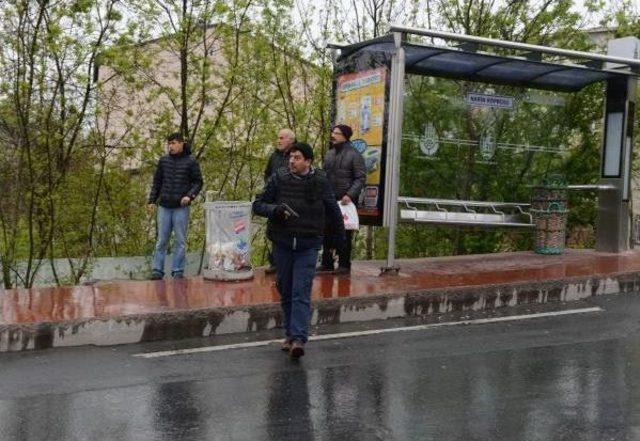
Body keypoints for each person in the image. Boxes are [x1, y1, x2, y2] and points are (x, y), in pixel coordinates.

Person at [253, 142, 345, 358]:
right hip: (282, 243)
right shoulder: (279, 178)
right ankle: (289, 334)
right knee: (286, 289)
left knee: (300, 291)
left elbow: (333, 211)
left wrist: (339, 242)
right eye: (290, 157)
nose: (292, 161)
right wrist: (275, 210)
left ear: (308, 161)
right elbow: (257, 204)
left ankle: (298, 339)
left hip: (308, 244)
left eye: (297, 157)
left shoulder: (320, 181)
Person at [147, 133, 203, 280]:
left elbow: (198, 182)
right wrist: (152, 200)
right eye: (169, 143)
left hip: (181, 207)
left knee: (180, 241)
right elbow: (157, 182)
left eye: (173, 143)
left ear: (181, 144)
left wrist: (189, 196)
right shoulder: (164, 161)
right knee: (162, 240)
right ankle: (157, 270)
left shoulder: (191, 161)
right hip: (164, 206)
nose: (170, 146)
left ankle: (177, 271)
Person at [320, 124, 366, 274]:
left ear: (345, 136)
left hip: (345, 201)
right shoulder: (329, 154)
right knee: (325, 232)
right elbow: (323, 175)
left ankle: (344, 265)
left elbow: (360, 178)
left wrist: (350, 195)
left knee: (344, 233)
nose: (333, 135)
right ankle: (326, 263)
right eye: (332, 132)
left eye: (337, 133)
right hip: (329, 200)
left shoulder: (354, 155)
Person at [263, 128, 296, 274]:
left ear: (291, 140)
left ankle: (289, 263)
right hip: (274, 200)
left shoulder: (296, 155)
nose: (279, 140)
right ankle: (275, 262)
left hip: (290, 199)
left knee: (288, 231)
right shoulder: (274, 156)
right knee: (272, 231)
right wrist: (269, 189)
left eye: (282, 138)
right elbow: (267, 174)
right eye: (278, 137)